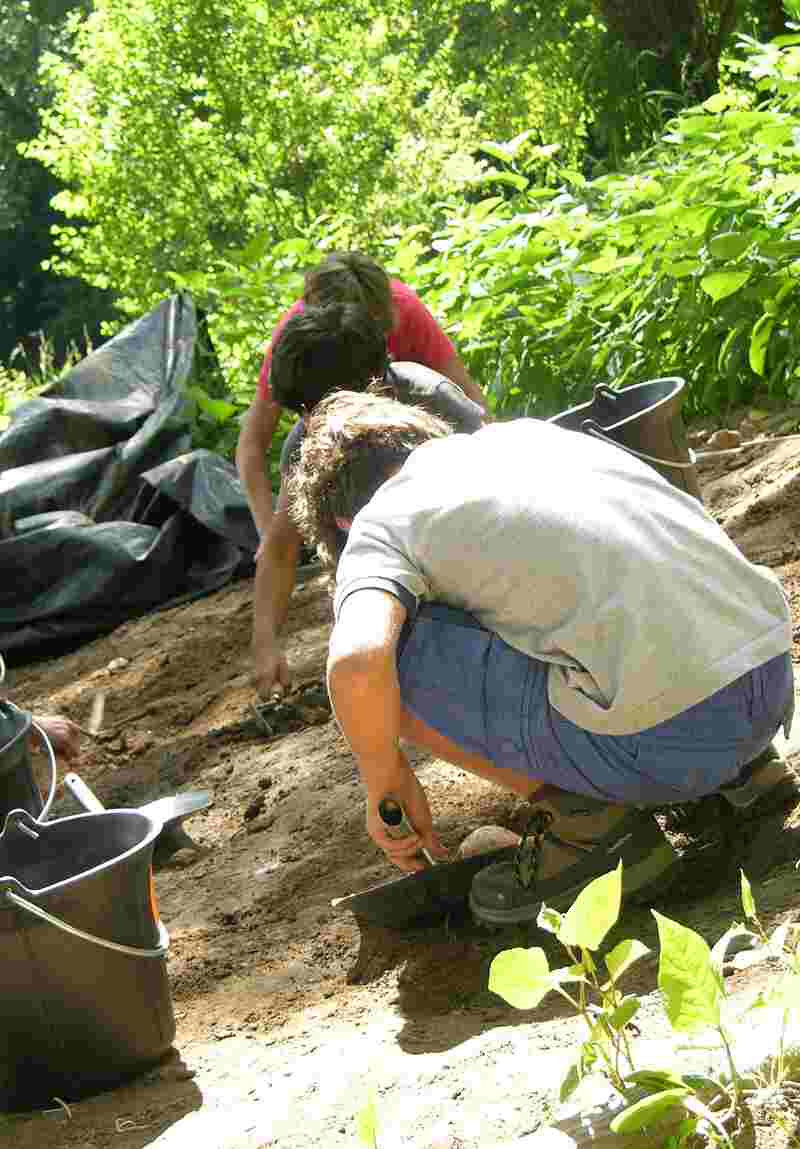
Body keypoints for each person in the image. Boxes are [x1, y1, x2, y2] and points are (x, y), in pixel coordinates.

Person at [286, 390, 797, 925]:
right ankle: (745, 774)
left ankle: (593, 828)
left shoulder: (378, 522)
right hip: (765, 685)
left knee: (398, 654)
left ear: (341, 522)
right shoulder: (529, 436)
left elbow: (357, 662)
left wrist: (384, 775)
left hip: (671, 739)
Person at [240, 302, 486, 699]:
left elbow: (503, 482)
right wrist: (265, 639)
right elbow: (281, 548)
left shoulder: (432, 399)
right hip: (396, 599)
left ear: (376, 380)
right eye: (302, 413)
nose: (311, 423)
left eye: (317, 409)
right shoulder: (308, 440)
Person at [236, 250, 486, 557]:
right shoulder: (296, 340)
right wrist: (269, 533)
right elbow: (251, 444)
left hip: (416, 439)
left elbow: (470, 398)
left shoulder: (404, 311)